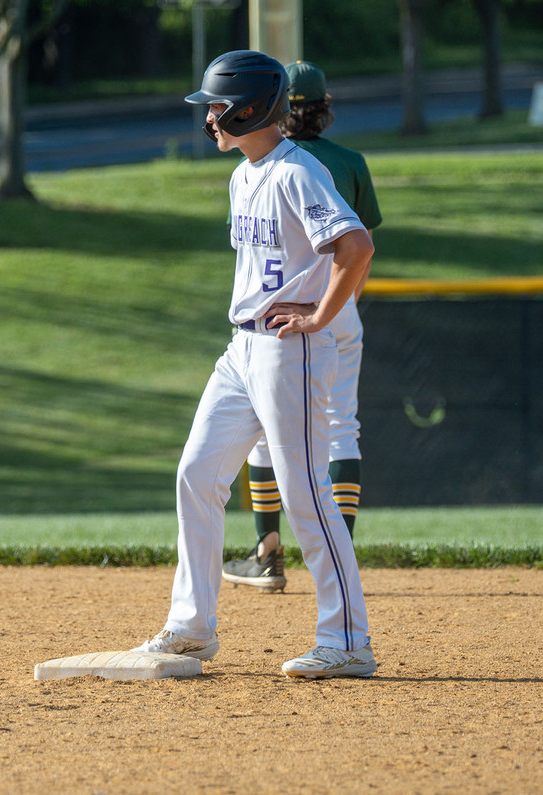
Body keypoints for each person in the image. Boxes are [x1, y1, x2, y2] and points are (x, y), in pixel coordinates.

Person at [132, 50, 377, 678]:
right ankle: (190, 630)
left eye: (216, 107)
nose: (208, 119)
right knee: (197, 471)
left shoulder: (299, 172)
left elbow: (356, 245)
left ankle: (346, 639)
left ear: (247, 108)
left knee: (304, 492)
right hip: (242, 347)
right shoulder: (244, 174)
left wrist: (319, 318)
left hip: (288, 349)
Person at [222, 60, 382, 594]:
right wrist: (341, 307)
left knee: (263, 442)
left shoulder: (274, 161)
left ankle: (268, 552)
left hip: (287, 317)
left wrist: (317, 313)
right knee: (342, 429)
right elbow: (360, 251)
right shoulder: (350, 161)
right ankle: (342, 554)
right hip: (341, 308)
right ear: (324, 105)